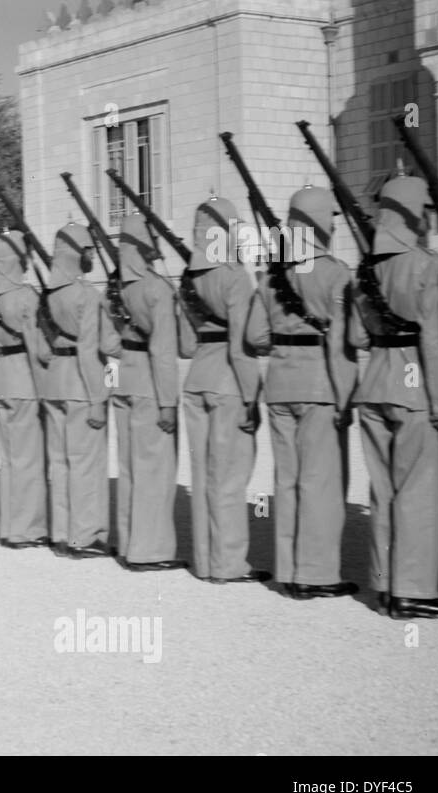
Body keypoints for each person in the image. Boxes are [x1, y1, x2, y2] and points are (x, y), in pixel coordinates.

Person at [347, 175, 438, 619]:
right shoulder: (426, 266)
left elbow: (357, 335)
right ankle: (414, 591)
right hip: (414, 386)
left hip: (374, 385)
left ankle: (387, 585)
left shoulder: (365, 269)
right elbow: (434, 339)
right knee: (420, 492)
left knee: (385, 491)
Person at [251, 187, 358, 599]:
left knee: (289, 479)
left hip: (279, 386)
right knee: (320, 482)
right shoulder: (336, 273)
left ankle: (289, 571)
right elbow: (343, 343)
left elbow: (257, 335)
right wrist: (345, 396)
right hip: (319, 387)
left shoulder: (273, 275)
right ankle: (315, 574)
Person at [180, 197, 271, 583]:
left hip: (197, 378)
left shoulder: (187, 279)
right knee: (230, 477)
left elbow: (186, 344)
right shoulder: (235, 275)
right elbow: (241, 346)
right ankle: (229, 564)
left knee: (202, 475)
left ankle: (204, 561)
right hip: (228, 382)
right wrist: (253, 396)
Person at [103, 213, 185, 571]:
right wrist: (168, 403)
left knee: (129, 467)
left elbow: (107, 342)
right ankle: (148, 551)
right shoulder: (156, 288)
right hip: (151, 383)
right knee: (153, 470)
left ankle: (127, 541)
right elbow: (164, 351)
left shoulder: (114, 287)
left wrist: (122, 364)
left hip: (123, 379)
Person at [39, 223, 111, 559]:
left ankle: (60, 534)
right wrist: (99, 398)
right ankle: (83, 536)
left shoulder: (49, 294)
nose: (91, 255)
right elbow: (89, 351)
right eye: (88, 250)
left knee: (60, 462)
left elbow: (42, 348)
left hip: (55, 381)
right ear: (75, 253)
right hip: (81, 385)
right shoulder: (87, 295)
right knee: (84, 463)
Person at [0, 229, 51, 549]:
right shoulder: (25, 296)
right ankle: (26, 529)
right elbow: (38, 348)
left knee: (9, 459)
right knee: (29, 460)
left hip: (1, 379)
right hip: (24, 378)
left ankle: (9, 525)